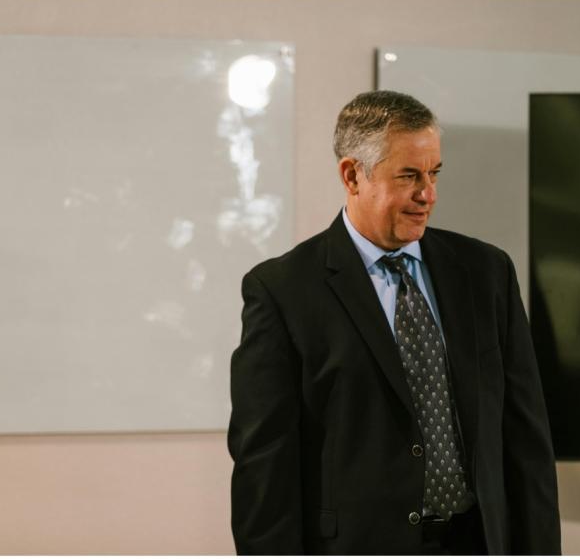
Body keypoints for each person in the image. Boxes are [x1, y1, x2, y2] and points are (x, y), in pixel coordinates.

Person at [228, 90, 561, 555]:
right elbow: (264, 467)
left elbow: (527, 442)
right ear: (352, 175)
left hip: (480, 543)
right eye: (408, 176)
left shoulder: (486, 272)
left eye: (433, 173)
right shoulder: (282, 291)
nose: (428, 194)